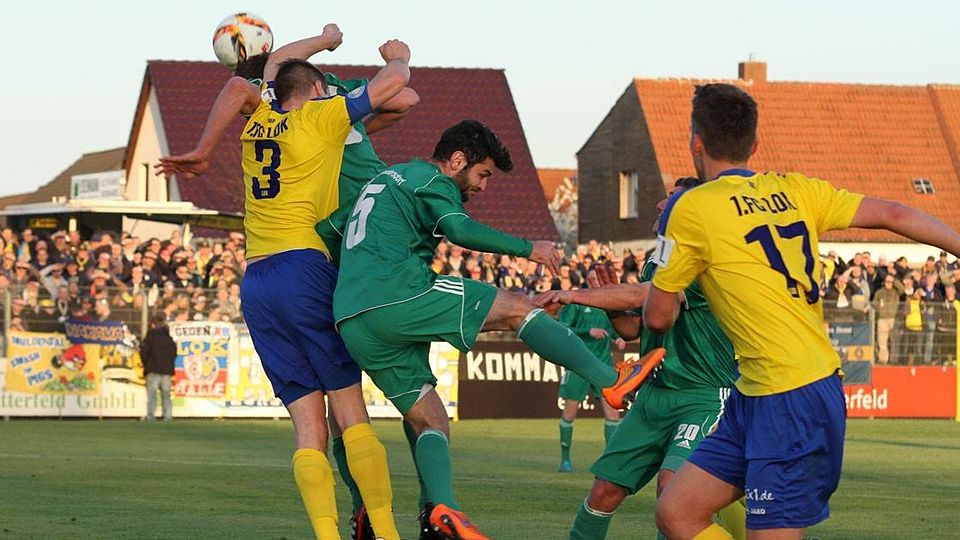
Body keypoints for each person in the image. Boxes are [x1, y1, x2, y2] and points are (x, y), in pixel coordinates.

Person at [643, 83, 960, 540]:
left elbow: (657, 318)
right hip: (755, 392)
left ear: (695, 142)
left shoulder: (691, 208)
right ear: (754, 145)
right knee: (677, 512)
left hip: (791, 395)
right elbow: (893, 212)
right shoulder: (796, 189)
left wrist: (667, 262)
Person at [157, 27, 420, 540]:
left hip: (257, 282)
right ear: (319, 91)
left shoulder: (258, 119)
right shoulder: (321, 117)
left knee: (307, 424)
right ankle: (387, 533)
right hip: (304, 269)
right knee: (350, 411)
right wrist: (399, 57)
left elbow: (240, 85)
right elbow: (395, 86)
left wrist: (204, 149)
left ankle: (326, 534)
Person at [332, 119, 650, 540]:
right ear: (457, 160)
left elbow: (330, 231)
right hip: (397, 292)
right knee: (518, 308)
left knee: (430, 420)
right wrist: (529, 248)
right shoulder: (431, 179)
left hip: (352, 318)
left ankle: (437, 513)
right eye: (482, 174)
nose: (483, 186)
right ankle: (611, 381)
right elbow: (460, 230)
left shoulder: (385, 179)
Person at [536, 177, 744, 540]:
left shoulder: (703, 257)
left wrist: (573, 294)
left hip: (702, 396)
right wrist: (610, 302)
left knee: (673, 490)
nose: (660, 205)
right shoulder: (656, 260)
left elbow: (643, 295)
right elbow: (634, 329)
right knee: (603, 492)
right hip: (653, 396)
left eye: (672, 199)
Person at [554, 300, 625, 473]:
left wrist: (618, 337)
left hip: (603, 364)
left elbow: (613, 327)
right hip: (578, 364)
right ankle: (565, 460)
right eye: (593, 282)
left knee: (613, 413)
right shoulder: (575, 304)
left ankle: (609, 461)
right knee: (570, 413)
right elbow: (562, 328)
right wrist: (588, 331)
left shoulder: (607, 304)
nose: (596, 285)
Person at [140, 313, 176, 421]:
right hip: (166, 370)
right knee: (166, 394)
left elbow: (144, 352)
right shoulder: (168, 338)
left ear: (153, 324)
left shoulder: (150, 337)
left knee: (152, 395)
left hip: (153, 369)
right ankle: (168, 415)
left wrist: (147, 364)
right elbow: (174, 353)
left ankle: (151, 416)